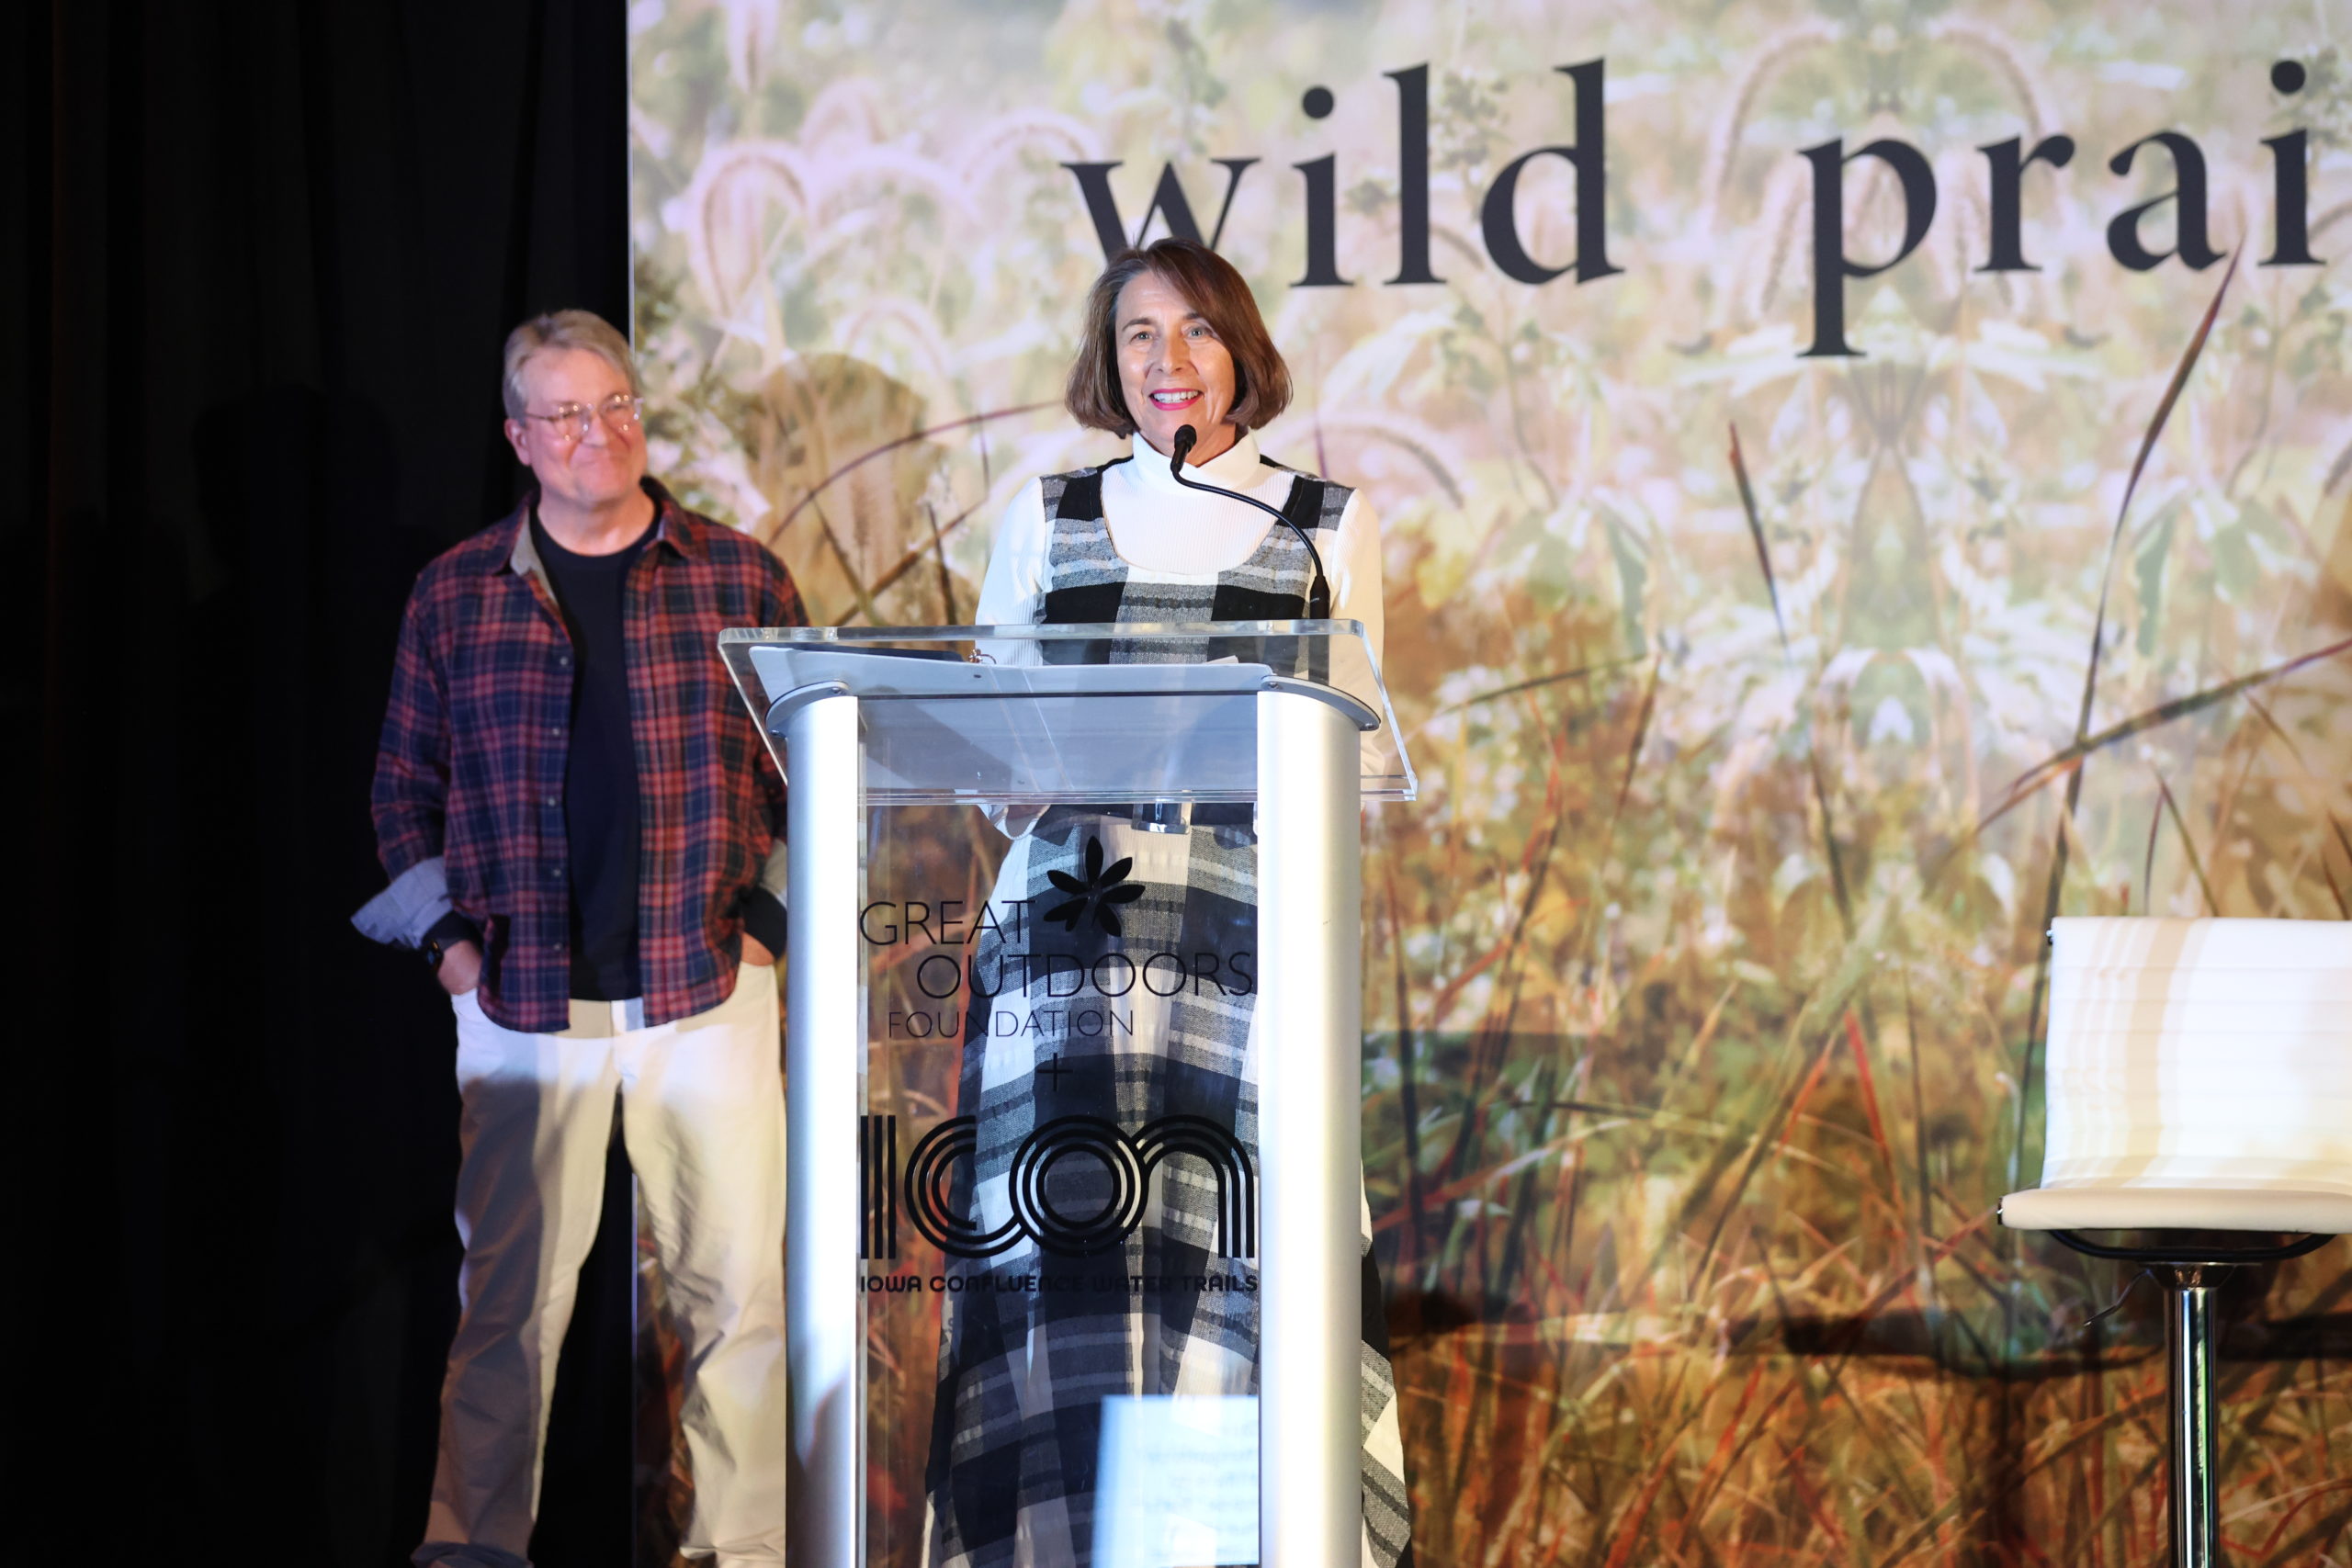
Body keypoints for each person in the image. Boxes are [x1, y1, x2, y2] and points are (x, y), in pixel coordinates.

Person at [928, 238, 1411, 1567]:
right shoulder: (1050, 514)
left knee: (1233, 1261)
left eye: (1195, 332)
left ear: (1241, 349)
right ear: (1110, 361)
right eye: (1141, 335)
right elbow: (990, 742)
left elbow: (1361, 751)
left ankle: (1222, 1548)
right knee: (1063, 1261)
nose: (1168, 362)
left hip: (1248, 939)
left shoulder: (1328, 521)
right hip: (1069, 948)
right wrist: (1037, 764)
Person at [356, 309, 804, 1568]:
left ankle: (748, 1556)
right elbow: (402, 789)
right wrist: (451, 953)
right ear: (519, 438)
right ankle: (473, 1555)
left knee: (737, 1310)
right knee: (505, 1318)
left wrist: (766, 931)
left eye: (615, 405)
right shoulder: (454, 592)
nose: (598, 433)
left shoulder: (740, 575)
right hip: (522, 1006)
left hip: (707, 990)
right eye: (564, 413)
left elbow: (814, 775)